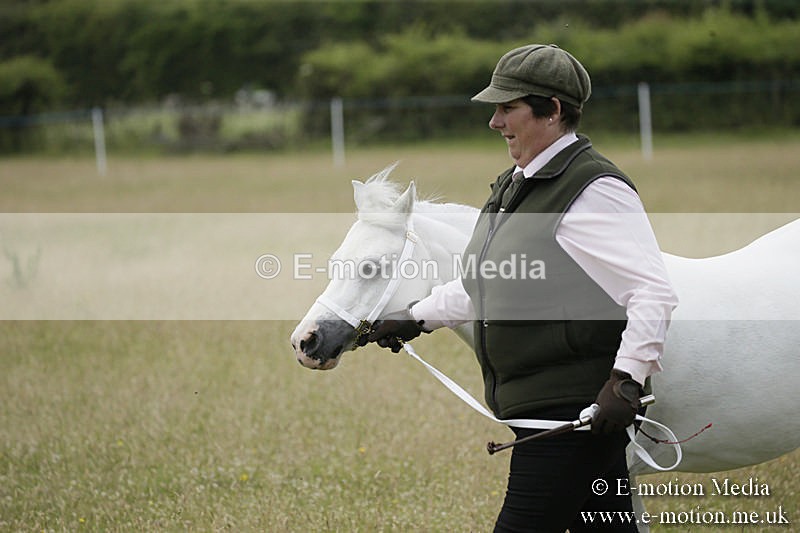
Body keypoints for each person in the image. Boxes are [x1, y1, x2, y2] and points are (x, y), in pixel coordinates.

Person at [367, 44, 678, 532]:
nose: (495, 122)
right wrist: (415, 318)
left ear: (551, 110)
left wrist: (625, 381)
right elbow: (489, 282)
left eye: (507, 108)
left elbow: (652, 292)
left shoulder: (592, 189)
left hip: (571, 415)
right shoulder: (516, 184)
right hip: (549, 412)